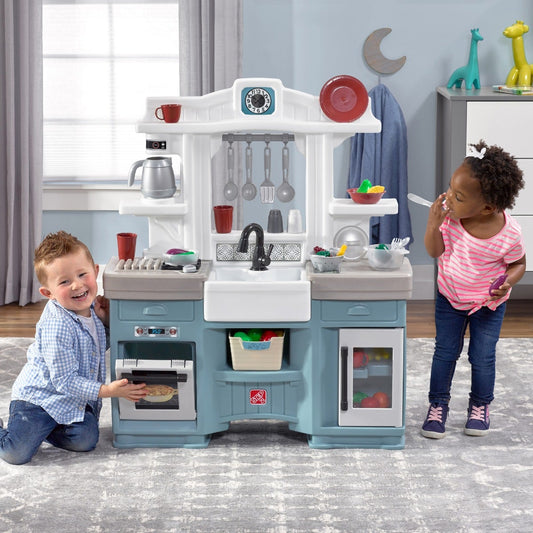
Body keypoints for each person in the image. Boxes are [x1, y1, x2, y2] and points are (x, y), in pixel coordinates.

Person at [0, 231, 147, 464]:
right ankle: (26, 429)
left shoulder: (91, 311)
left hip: (70, 401)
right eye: (64, 282)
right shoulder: (57, 325)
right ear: (48, 293)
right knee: (15, 453)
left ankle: (45, 431)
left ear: (95, 272)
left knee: (86, 441)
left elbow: (93, 350)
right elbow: (65, 381)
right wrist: (107, 391)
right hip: (38, 401)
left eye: (82, 274)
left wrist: (107, 322)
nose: (77, 285)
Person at [421, 140, 526, 439]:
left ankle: (480, 406)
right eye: (450, 189)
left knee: (482, 357)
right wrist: (433, 224)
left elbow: (518, 263)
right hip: (450, 297)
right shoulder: (450, 220)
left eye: (458, 196)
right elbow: (434, 251)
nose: (448, 199)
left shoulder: (509, 233)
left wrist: (508, 282)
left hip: (487, 305)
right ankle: (437, 405)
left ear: (488, 207)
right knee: (445, 353)